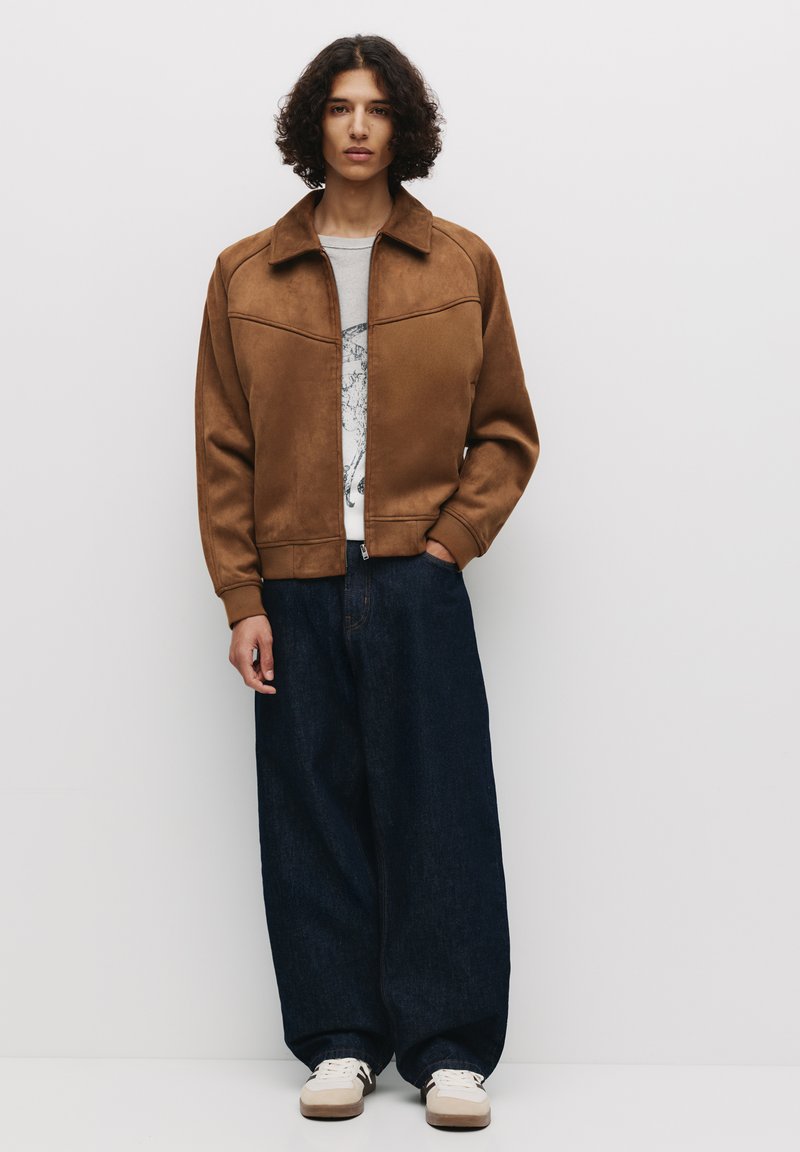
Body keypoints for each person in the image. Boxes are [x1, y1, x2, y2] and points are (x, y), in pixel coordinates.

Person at [194, 34, 540, 1130]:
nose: (356, 126)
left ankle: (449, 1051)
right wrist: (242, 596)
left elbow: (505, 431)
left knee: (440, 806)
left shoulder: (461, 263)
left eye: (376, 108)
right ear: (314, 123)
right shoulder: (246, 272)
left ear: (402, 127)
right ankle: (339, 1038)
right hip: (293, 581)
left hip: (414, 579)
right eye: (339, 106)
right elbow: (223, 449)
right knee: (310, 811)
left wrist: (447, 546)